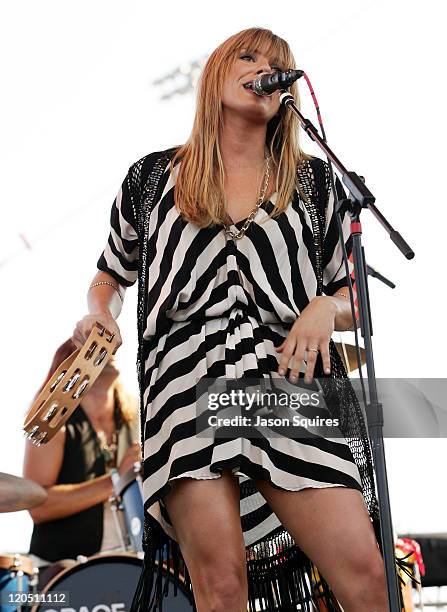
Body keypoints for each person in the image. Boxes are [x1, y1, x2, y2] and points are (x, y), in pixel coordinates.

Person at [72, 27, 391, 612]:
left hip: (289, 382)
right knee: (221, 589)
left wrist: (325, 305)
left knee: (368, 576)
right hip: (186, 385)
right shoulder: (152, 178)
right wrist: (98, 316)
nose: (263, 69)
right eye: (248, 57)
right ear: (215, 72)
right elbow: (108, 277)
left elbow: (352, 297)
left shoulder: (318, 183)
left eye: (277, 65)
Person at [23, 338, 141, 588]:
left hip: (132, 566)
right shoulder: (52, 423)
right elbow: (38, 507)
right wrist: (117, 480)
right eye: (90, 345)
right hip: (63, 574)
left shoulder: (136, 418)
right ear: (68, 366)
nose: (107, 348)